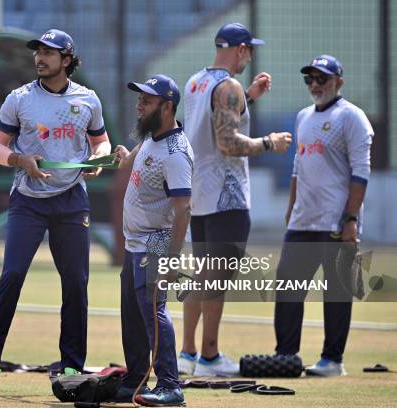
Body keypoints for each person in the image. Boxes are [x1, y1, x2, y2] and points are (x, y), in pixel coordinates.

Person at [0, 29, 111, 395]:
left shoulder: (88, 100)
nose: (39, 57)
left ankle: (71, 367)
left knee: (76, 282)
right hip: (28, 200)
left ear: (67, 60)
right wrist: (20, 159)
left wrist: (97, 160)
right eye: (37, 51)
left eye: (49, 53)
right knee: (12, 275)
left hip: (71, 200)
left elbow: (101, 141)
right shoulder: (18, 99)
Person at [179, 22, 292, 376]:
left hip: (199, 193)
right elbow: (228, 141)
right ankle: (210, 358)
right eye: (250, 50)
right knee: (218, 279)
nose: (251, 57)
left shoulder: (196, 81)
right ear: (241, 50)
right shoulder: (228, 87)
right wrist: (268, 143)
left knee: (201, 277)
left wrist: (250, 96)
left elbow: (217, 117)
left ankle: (188, 352)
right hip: (227, 197)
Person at [274, 55, 373, 376]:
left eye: (322, 79)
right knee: (287, 288)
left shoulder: (352, 117)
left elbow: (361, 172)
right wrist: (291, 211)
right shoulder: (303, 116)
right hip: (303, 221)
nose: (315, 85)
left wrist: (351, 219)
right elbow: (297, 170)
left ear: (338, 82)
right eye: (310, 79)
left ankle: (333, 360)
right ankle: (286, 356)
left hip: (336, 221)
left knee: (337, 291)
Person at [112, 75, 190, 406]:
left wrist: (172, 260)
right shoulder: (152, 138)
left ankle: (171, 386)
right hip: (135, 243)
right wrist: (124, 156)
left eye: (147, 100)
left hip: (155, 244)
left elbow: (183, 209)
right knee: (132, 315)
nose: (139, 105)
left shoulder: (176, 153)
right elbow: (138, 157)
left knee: (153, 314)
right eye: (139, 98)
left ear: (167, 106)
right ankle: (136, 379)